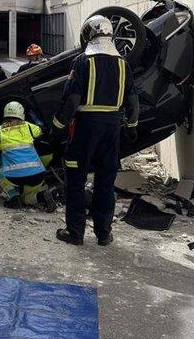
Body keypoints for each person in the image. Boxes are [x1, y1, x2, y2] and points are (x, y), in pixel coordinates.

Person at [51, 15, 139, 247]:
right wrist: (131, 126)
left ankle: (75, 232)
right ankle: (104, 233)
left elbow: (72, 100)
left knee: (76, 179)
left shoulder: (82, 62)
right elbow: (133, 100)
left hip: (85, 127)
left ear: (89, 34)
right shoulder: (123, 64)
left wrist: (58, 127)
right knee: (105, 180)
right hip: (112, 128)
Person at [0, 102, 57, 212]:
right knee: (27, 197)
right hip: (37, 174)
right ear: (22, 114)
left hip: (14, 177)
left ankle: (13, 197)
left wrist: (2, 160)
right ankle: (41, 196)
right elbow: (41, 131)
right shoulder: (28, 126)